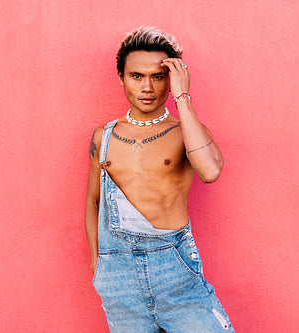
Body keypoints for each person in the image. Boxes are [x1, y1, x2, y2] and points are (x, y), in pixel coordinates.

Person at [85, 26, 234, 332]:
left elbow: (210, 171)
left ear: (171, 78)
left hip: (173, 268)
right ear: (121, 78)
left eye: (158, 76)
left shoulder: (185, 132)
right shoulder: (104, 137)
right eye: (137, 76)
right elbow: (93, 202)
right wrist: (98, 264)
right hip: (119, 277)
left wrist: (182, 96)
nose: (147, 87)